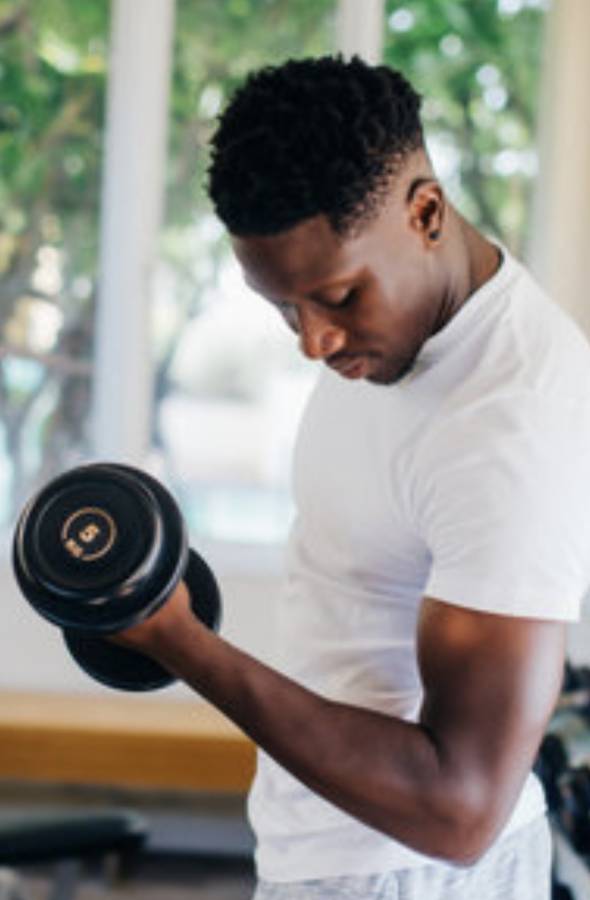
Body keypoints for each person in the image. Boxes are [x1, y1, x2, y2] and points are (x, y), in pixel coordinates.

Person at [117, 56, 590, 898]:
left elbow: (459, 809)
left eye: (337, 297)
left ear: (425, 212)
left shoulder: (512, 421)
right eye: (284, 309)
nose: (314, 342)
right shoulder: (390, 343)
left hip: (414, 874)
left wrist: (181, 643)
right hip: (336, 856)